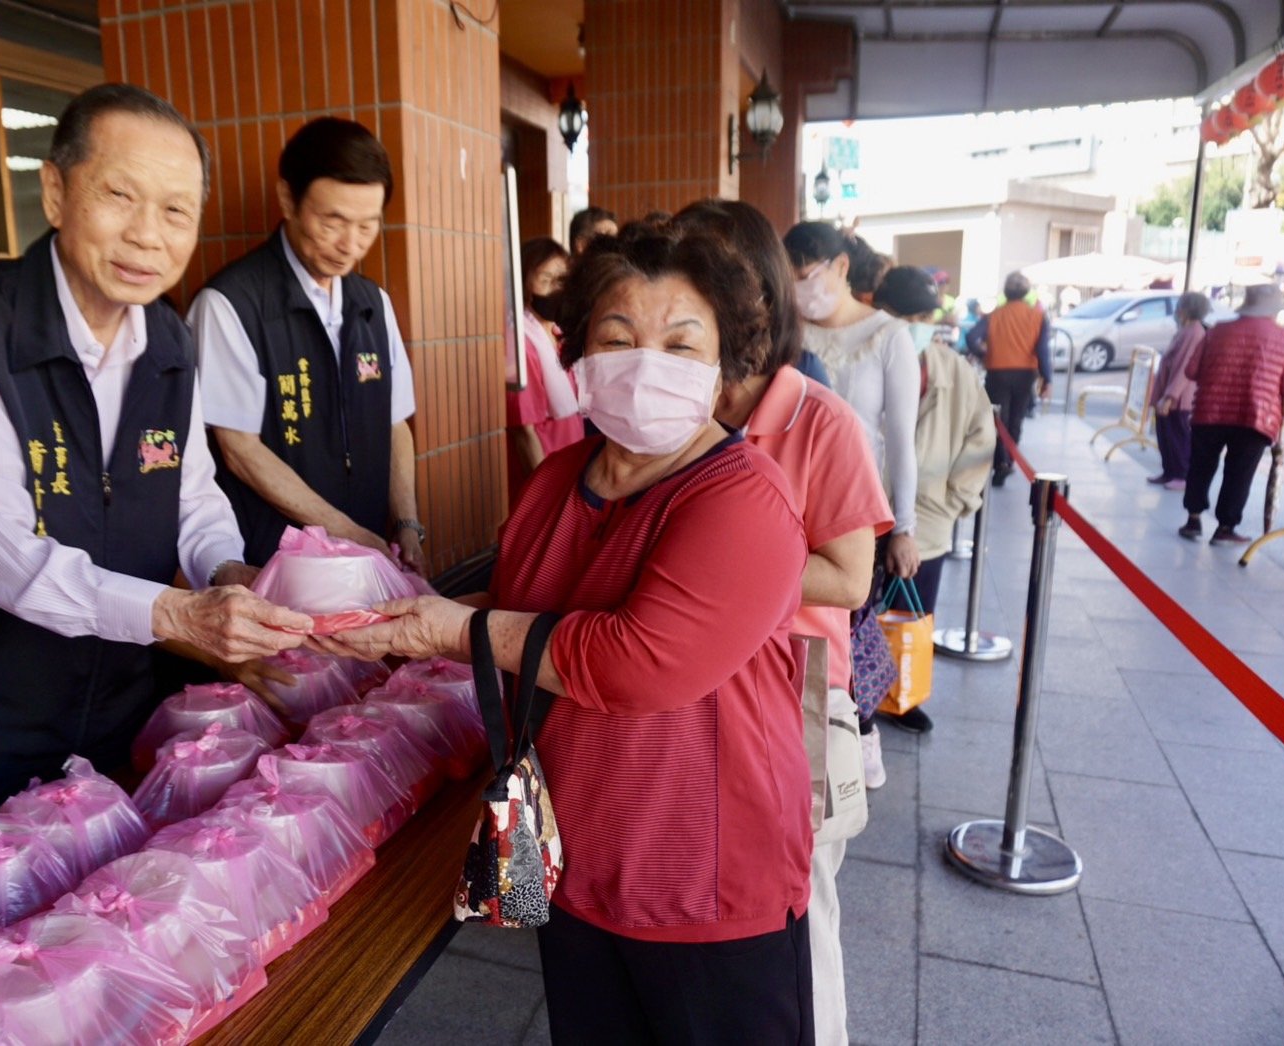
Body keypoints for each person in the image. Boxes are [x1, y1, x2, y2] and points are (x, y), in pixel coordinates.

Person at [329, 225, 814, 1044]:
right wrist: (390, 618)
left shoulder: (744, 498)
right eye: (617, 337)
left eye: (680, 343)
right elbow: (521, 600)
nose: (645, 361)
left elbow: (637, 663)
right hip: (573, 863)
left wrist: (457, 629)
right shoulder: (556, 477)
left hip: (705, 883)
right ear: (578, 353)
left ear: (726, 364)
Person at [0, 83, 313, 843]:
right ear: (55, 191)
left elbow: (192, 493)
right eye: (120, 195)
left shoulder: (170, 341)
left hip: (114, 705)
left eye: (177, 210)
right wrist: (174, 614)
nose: (149, 235)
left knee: (91, 931)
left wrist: (226, 572)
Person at [684, 199, 890, 1046]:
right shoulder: (667, 415)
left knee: (798, 913)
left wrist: (707, 572)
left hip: (795, 701)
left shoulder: (819, 421)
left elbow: (846, 576)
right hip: (692, 698)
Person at [191, 118, 423, 571]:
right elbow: (239, 450)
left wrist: (408, 525)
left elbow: (394, 423)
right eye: (332, 221)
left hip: (370, 555)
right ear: (288, 199)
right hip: (279, 564)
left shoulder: (372, 302)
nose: (350, 246)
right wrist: (349, 534)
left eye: (367, 226)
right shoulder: (229, 304)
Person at [784, 220, 920, 789]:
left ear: (841, 267)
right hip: (799, 504)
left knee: (852, 633)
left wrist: (906, 526)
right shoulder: (792, 334)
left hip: (860, 510)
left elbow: (902, 438)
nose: (799, 289)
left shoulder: (889, 336)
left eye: (806, 275)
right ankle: (805, 736)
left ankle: (855, 734)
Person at [874, 265, 994, 627]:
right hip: (862, 528)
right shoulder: (862, 364)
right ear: (881, 312)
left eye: (923, 316)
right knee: (852, 647)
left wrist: (950, 504)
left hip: (927, 530)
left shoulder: (956, 372)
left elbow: (982, 438)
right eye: (903, 315)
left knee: (910, 638)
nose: (914, 325)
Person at [1179, 284, 1284, 545]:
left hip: (1209, 410)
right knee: (1239, 472)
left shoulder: (1217, 331)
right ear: (1273, 311)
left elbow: (1191, 371)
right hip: (1256, 415)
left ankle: (1193, 520)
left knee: (1201, 464)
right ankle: (1225, 528)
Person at [507, 237, 583, 499]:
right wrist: (545, 495)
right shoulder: (519, 344)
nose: (555, 288)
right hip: (543, 478)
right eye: (546, 279)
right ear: (524, 283)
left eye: (562, 280)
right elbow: (523, 431)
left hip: (569, 470)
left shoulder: (559, 336)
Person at [966, 272, 1052, 486]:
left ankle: (999, 464)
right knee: (1016, 419)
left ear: (1006, 292)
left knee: (998, 420)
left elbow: (971, 337)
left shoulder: (994, 315)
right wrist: (1047, 379)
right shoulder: (1038, 316)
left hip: (997, 373)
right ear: (1026, 293)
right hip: (1025, 375)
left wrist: (983, 354)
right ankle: (1010, 461)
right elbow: (1042, 351)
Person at [1149, 292, 1211, 491]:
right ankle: (1169, 471)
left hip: (1179, 397)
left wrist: (1169, 397)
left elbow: (1183, 368)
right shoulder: (1186, 330)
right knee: (1166, 434)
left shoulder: (1193, 333)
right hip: (1169, 392)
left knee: (1177, 436)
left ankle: (1181, 474)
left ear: (1185, 310)